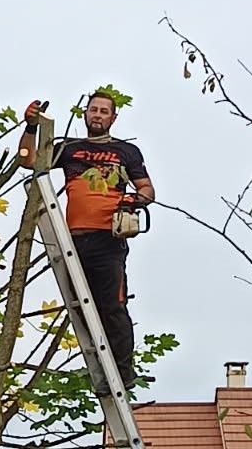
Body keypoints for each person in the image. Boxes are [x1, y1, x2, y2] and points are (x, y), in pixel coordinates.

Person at [18, 90, 155, 394]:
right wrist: (30, 127)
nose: (98, 115)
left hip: (109, 240)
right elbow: (28, 162)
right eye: (93, 110)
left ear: (113, 118)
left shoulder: (125, 152)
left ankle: (121, 373)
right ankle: (101, 366)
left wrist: (129, 203)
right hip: (74, 239)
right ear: (85, 113)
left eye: (104, 111)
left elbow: (147, 190)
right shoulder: (69, 149)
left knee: (113, 306)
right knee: (79, 306)